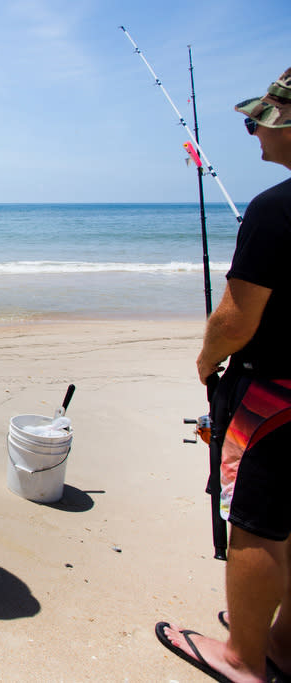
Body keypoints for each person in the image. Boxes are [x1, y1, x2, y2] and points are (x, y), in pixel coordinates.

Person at [156, 68, 291, 681]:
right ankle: (283, 644)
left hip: (275, 393)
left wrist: (208, 361)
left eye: (257, 120)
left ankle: (243, 657)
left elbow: (236, 319)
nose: (250, 131)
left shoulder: (273, 211)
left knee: (258, 523)